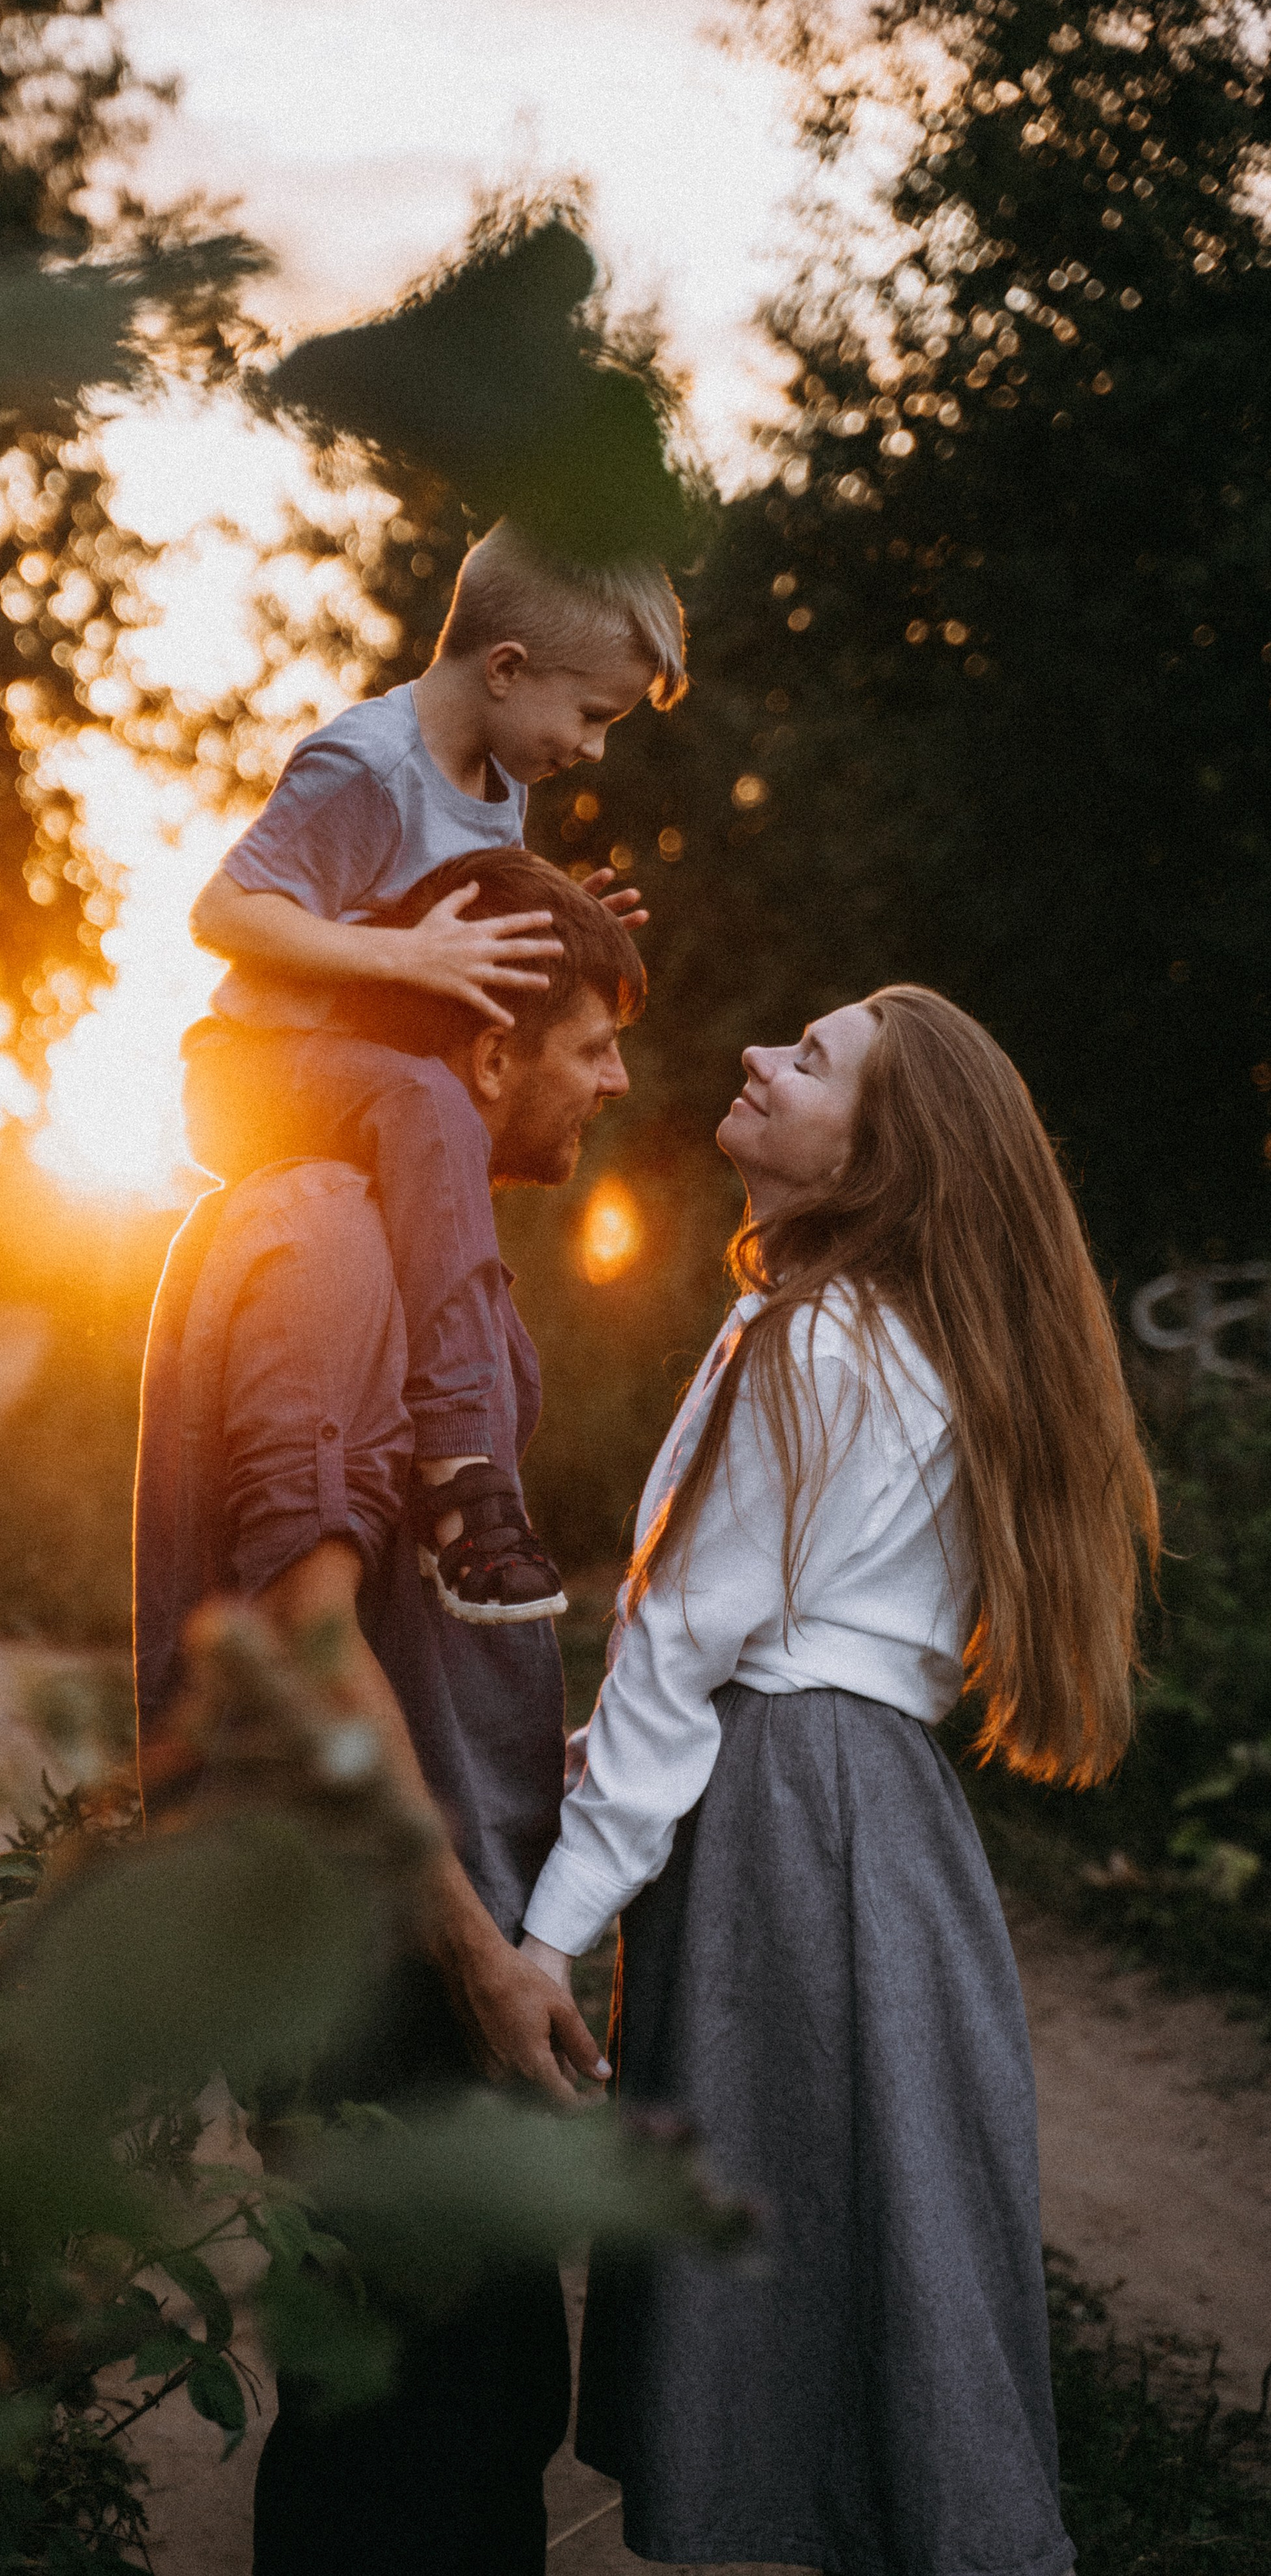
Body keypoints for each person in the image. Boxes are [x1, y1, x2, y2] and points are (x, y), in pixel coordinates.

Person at [516, 984, 1160, 2576]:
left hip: (793, 1816)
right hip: (868, 1811)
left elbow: (681, 1649)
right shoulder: (862, 1324)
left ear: (883, 1155)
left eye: (808, 1061)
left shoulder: (827, 1338)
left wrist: (545, 1932)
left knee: (831, 2229)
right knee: (882, 2223)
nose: (754, 1056)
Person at [134, 851, 646, 2575]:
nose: (618, 1080)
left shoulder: (364, 1227)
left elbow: (409, 1634)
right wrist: (471, 1949)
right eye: (588, 1043)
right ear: (484, 1050)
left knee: (471, 2412)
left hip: (404, 1941)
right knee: (416, 2454)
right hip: (375, 1965)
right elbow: (301, 1637)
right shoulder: (328, 1236)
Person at [186, 518, 684, 1626]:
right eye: (591, 714)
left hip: (359, 1073)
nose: (596, 747)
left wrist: (558, 929)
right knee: (427, 1100)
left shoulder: (496, 781)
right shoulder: (366, 763)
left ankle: (457, 1466)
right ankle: (460, 1479)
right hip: (250, 1075)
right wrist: (403, 956)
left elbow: (447, 930)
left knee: (440, 1118)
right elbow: (222, 909)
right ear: (506, 669)